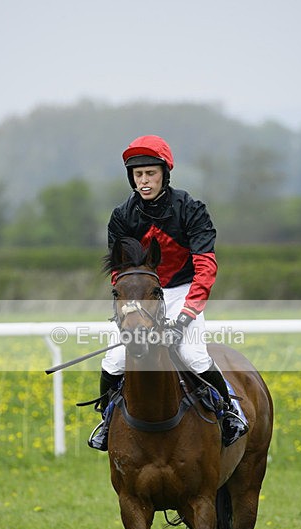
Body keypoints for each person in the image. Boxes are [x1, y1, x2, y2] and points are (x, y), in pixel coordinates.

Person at [88, 134, 248, 451]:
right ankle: (108, 422)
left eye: (150, 173)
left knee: (193, 355)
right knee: (114, 359)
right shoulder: (122, 216)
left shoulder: (190, 209)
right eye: (138, 175)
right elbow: (118, 273)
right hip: (141, 295)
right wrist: (128, 311)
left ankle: (228, 414)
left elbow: (206, 267)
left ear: (164, 173)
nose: (144, 181)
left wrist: (185, 318)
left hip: (183, 291)